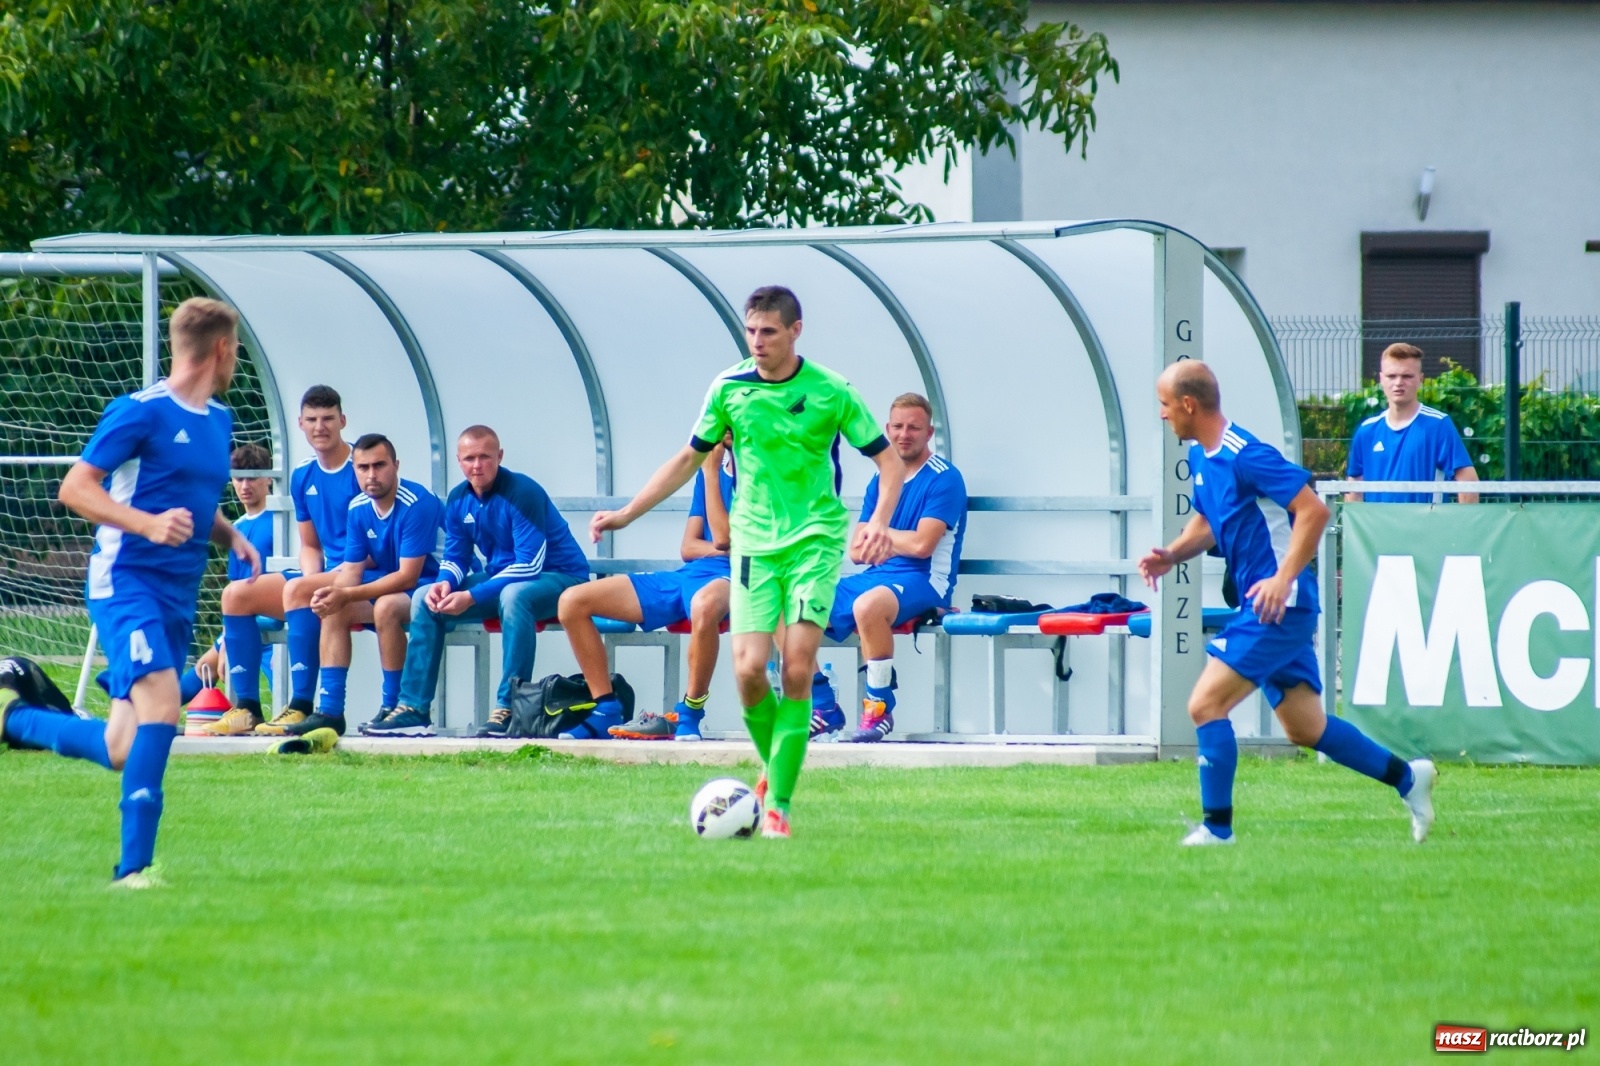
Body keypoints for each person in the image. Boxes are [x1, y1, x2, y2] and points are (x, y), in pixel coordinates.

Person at [588, 285, 903, 838]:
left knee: (797, 667)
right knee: (750, 671)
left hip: (814, 542)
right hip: (753, 546)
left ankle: (777, 802)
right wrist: (628, 513)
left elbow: (889, 462)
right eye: (751, 330)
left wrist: (877, 521)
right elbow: (687, 459)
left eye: (769, 332)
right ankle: (774, 765)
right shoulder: (728, 388)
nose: (757, 341)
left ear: (795, 331)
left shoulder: (831, 390)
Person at [0, 297, 260, 887]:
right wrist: (145, 524)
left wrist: (230, 537)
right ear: (221, 348)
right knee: (164, 706)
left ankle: (15, 719)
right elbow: (75, 488)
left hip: (176, 595)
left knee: (121, 745)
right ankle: (133, 869)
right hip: (126, 584)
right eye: (236, 350)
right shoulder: (138, 412)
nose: (236, 360)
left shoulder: (218, 420)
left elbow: (192, 499)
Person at [1138, 360, 1436, 847]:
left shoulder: (1247, 455)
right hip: (1267, 605)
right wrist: (1172, 554)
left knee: (1205, 704)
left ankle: (1217, 829)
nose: (1162, 414)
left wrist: (1283, 578)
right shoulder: (1202, 458)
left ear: (1188, 404)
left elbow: (1313, 510)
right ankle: (1408, 778)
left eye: (1165, 404)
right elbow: (1209, 522)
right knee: (1306, 727)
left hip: (1278, 605)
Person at [380, 425, 589, 738]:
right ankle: (413, 708)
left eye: (484, 457)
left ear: (499, 456)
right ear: (458, 461)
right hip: (503, 580)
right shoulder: (458, 498)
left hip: (560, 578)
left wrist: (472, 596)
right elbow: (456, 556)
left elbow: (529, 565)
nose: (477, 465)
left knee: (515, 596)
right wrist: (445, 583)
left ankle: (510, 707)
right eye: (469, 458)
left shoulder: (523, 491)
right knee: (424, 597)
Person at [557, 437, 735, 742]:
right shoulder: (710, 467)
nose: (723, 429)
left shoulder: (764, 469)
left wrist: (710, 477)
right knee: (572, 601)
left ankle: (690, 713)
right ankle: (605, 709)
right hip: (689, 575)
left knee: (704, 606)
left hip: (737, 576)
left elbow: (738, 544)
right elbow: (688, 547)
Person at [814, 392, 966, 743]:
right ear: (887, 429)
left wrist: (880, 534)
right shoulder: (881, 480)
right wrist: (889, 539)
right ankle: (822, 704)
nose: (904, 434)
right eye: (897, 427)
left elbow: (922, 546)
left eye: (914, 428)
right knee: (787, 600)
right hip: (876, 577)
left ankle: (879, 707)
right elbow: (857, 550)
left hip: (926, 580)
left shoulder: (945, 478)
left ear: (929, 433)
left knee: (868, 605)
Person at [216, 385, 358, 735]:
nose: (320, 427)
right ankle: (247, 707)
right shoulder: (303, 474)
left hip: (362, 573)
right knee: (235, 594)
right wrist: (311, 577)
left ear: (342, 421)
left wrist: (308, 585)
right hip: (327, 573)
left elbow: (375, 544)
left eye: (328, 418)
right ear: (300, 423)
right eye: (312, 419)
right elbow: (310, 545)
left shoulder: (362, 467)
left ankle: (301, 706)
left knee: (298, 590)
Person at [298, 433, 442, 737]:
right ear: (354, 470)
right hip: (400, 585)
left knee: (386, 607)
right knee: (336, 608)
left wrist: (347, 593)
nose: (371, 475)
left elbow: (408, 576)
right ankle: (330, 711)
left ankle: (396, 706)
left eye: (379, 465)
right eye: (363, 467)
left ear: (396, 466)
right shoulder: (358, 507)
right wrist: (335, 594)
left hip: (439, 584)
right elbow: (352, 570)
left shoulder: (418, 503)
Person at [179, 442, 278, 733]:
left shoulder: (281, 521)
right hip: (244, 623)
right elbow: (234, 591)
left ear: (269, 478)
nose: (245, 486)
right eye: (239, 478)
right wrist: (226, 639)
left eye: (252, 478)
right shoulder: (236, 529)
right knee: (205, 666)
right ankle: (150, 715)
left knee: (281, 691)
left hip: (273, 620)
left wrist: (227, 643)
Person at [1346, 343, 1479, 504]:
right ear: (1381, 379)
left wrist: (1464, 520)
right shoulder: (1367, 430)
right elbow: (1354, 485)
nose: (1398, 382)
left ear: (1420, 379)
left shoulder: (1438, 425)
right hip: (1378, 521)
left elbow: (1467, 480)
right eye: (1391, 376)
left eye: (1407, 376)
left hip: (1427, 520)